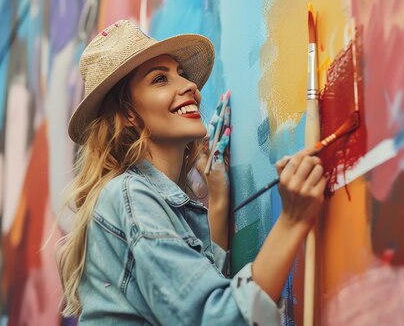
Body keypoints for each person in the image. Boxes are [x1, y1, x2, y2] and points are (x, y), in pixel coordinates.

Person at [57, 20, 326, 325]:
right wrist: (292, 220)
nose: (190, 87)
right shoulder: (131, 196)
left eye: (181, 74)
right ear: (128, 114)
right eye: (160, 79)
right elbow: (217, 317)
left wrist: (220, 198)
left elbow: (200, 281)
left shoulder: (152, 198)